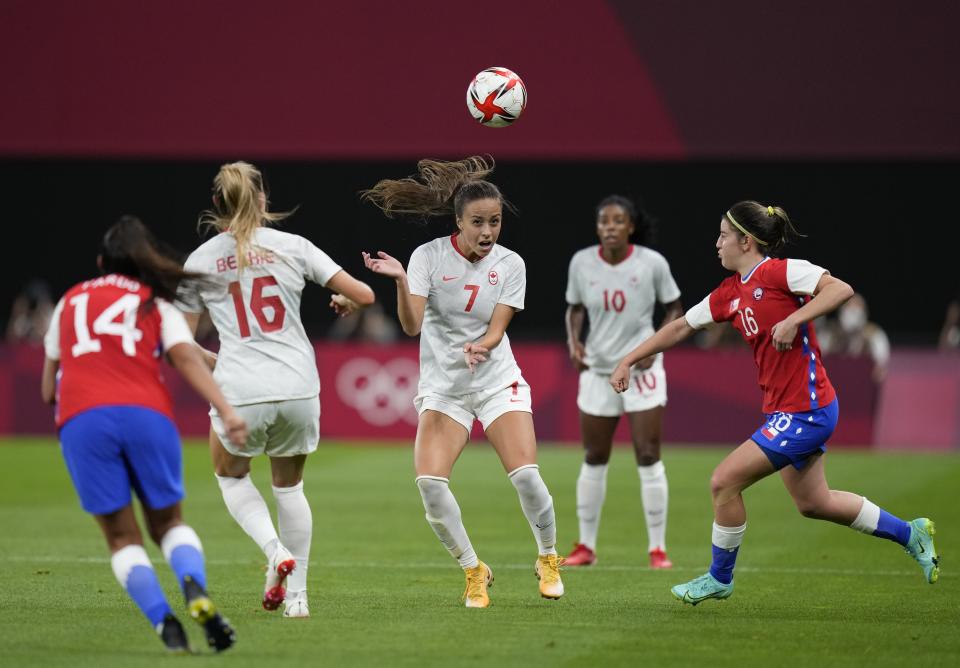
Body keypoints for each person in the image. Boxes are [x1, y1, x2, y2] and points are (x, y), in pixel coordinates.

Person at [610, 201, 939, 605]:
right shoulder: (731, 292)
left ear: (746, 241)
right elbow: (680, 326)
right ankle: (912, 533)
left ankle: (720, 577)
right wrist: (629, 357)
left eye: (723, 236)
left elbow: (840, 289)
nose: (716, 244)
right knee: (814, 503)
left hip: (809, 408)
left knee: (723, 481)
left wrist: (795, 319)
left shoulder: (780, 271)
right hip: (786, 409)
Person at [360, 156, 564, 608]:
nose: (488, 231)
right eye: (478, 222)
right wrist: (398, 280)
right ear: (458, 222)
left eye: (495, 222)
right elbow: (412, 326)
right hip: (445, 387)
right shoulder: (427, 257)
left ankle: (547, 557)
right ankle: (474, 570)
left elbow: (498, 326)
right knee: (430, 485)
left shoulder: (511, 264)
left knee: (527, 476)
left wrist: (485, 345)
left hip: (496, 380)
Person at [177, 161, 375, 619]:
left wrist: (219, 364)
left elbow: (183, 345)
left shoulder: (202, 259)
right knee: (290, 489)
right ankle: (299, 598)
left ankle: (273, 551)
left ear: (217, 205)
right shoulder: (293, 246)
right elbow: (363, 295)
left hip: (240, 387)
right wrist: (345, 299)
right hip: (298, 385)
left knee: (231, 477)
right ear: (264, 199)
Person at [41, 216, 244, 653]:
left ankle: (165, 626)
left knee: (121, 539)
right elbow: (186, 359)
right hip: (145, 415)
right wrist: (226, 410)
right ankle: (195, 589)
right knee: (169, 523)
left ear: (100, 262)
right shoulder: (156, 303)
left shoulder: (69, 302)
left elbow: (46, 389)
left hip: (82, 422)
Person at [564, 195, 682, 569]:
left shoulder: (652, 264)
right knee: (594, 456)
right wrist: (574, 342)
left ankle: (657, 549)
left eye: (618, 221)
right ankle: (585, 546)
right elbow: (575, 308)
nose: (610, 227)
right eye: (604, 221)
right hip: (599, 369)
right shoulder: (582, 262)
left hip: (642, 372)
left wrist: (653, 349)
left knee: (648, 454)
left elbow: (675, 309)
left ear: (631, 226)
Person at [818, 293, 890, 383]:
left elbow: (881, 367)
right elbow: (818, 360)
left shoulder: (875, 335)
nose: (853, 312)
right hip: (835, 384)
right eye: (849, 307)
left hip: (862, 386)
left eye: (857, 308)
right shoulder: (829, 334)